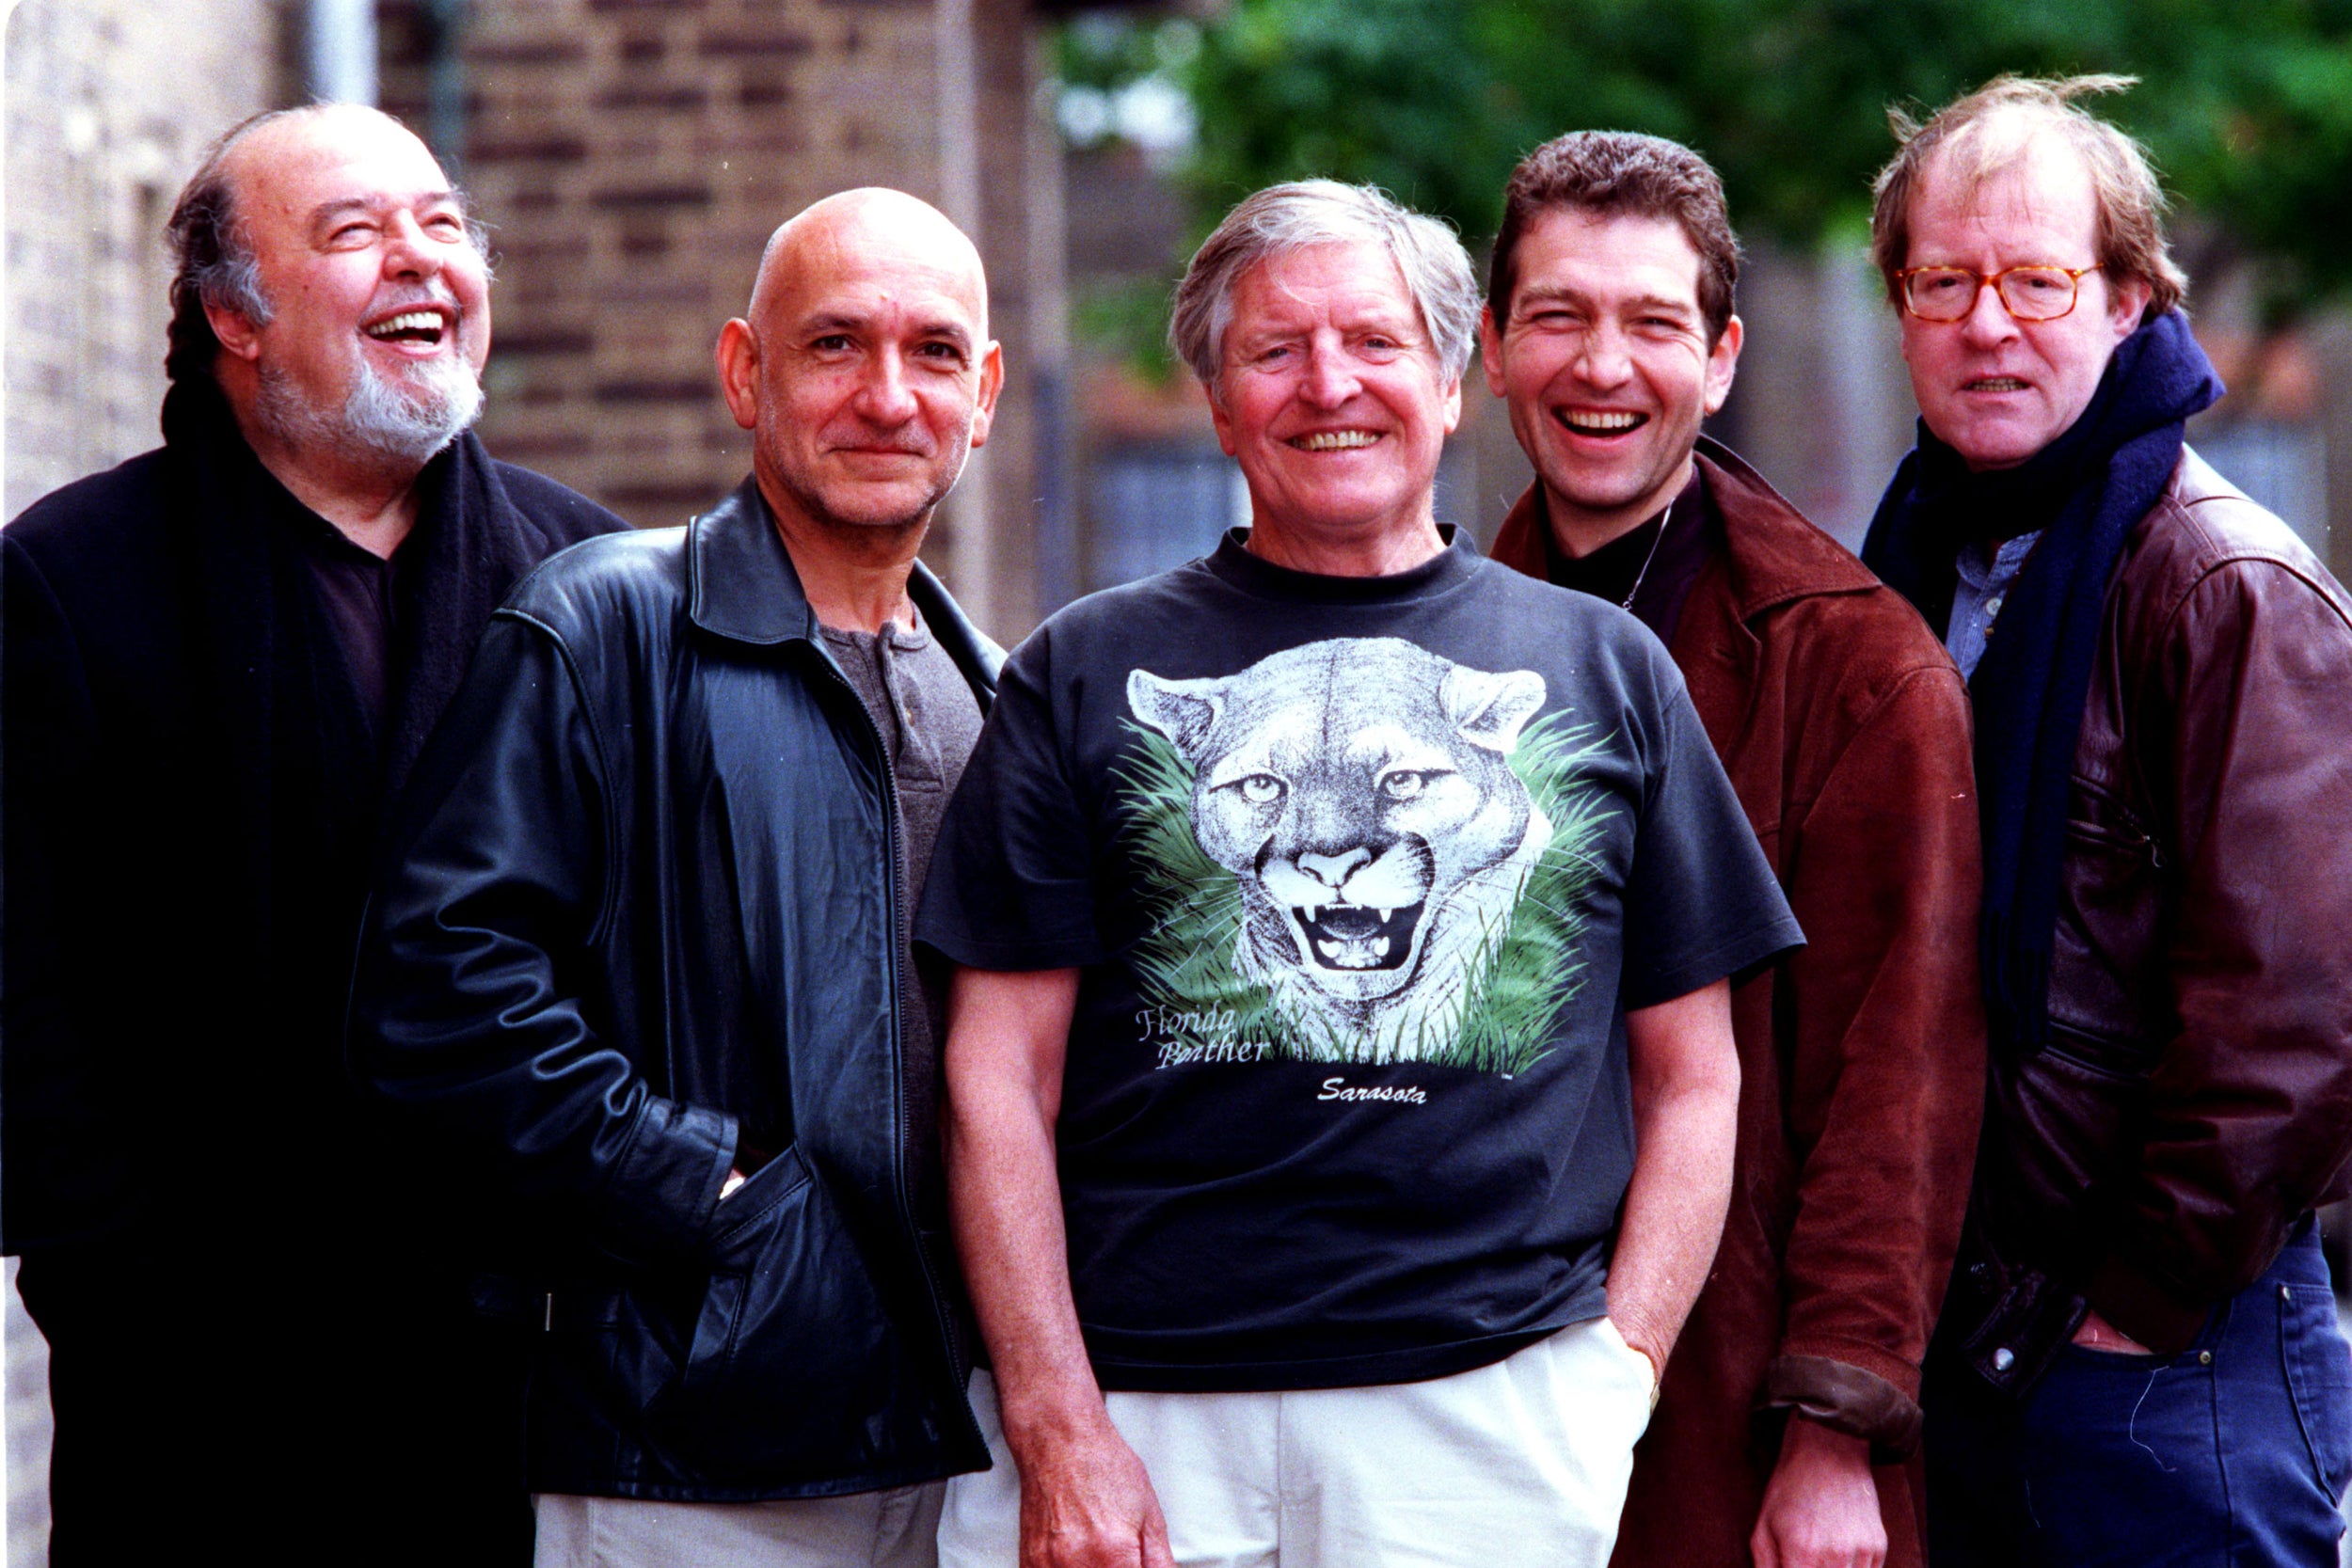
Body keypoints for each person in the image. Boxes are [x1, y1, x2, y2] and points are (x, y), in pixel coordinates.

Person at [919, 178, 1803, 1568]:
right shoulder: (1083, 672)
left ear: (1456, 380)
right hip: (1143, 1420)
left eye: (1377, 344)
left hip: (1485, 1423)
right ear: (1218, 402)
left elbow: (1695, 1071)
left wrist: (1611, 1379)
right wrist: (1056, 1424)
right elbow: (996, 1075)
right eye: (1275, 351)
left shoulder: (1598, 670)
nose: (1331, 384)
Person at [0, 103, 626, 1564]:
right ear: (235, 315)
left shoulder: (592, 573)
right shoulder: (66, 584)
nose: (422, 259)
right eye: (355, 233)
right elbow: (18, 999)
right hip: (201, 1405)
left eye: (444, 225)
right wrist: (125, 1283)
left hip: (528, 1385)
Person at [348, 187, 1003, 1568]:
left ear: (986, 392)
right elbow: (439, 1000)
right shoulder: (602, 624)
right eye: (834, 346)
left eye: (934, 352)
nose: (889, 395)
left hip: (972, 1444)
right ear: (743, 375)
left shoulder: (1002, 694)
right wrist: (713, 1195)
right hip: (693, 1446)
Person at [1858, 74, 2352, 1565]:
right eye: (1946, 282)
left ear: (2132, 298)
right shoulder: (1923, 564)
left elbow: (2302, 1013)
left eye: (2036, 279)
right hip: (1970, 1332)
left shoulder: (2221, 585)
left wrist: (2135, 1304)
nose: (1987, 324)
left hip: (2171, 1362)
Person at [1476, 131, 1985, 1568]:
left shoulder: (1853, 666)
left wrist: (1836, 1430)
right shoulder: (1435, 641)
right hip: (1481, 1391)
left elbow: (1906, 1075)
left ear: (1718, 358)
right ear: (1496, 347)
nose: (1600, 366)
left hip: (1739, 1407)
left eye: (1649, 322)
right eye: (1559, 316)